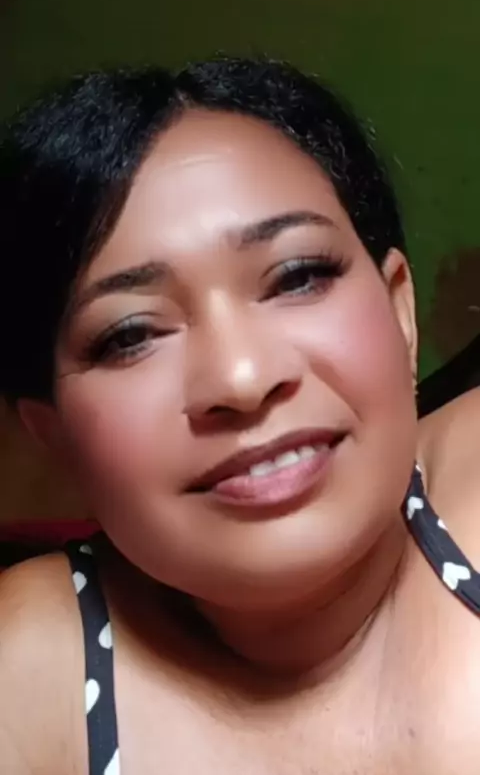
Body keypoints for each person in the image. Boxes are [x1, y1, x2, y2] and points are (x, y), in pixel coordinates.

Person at [0, 57, 479, 775]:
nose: (243, 379)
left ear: (400, 313)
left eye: (298, 276)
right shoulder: (29, 672)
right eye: (130, 335)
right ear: (55, 437)